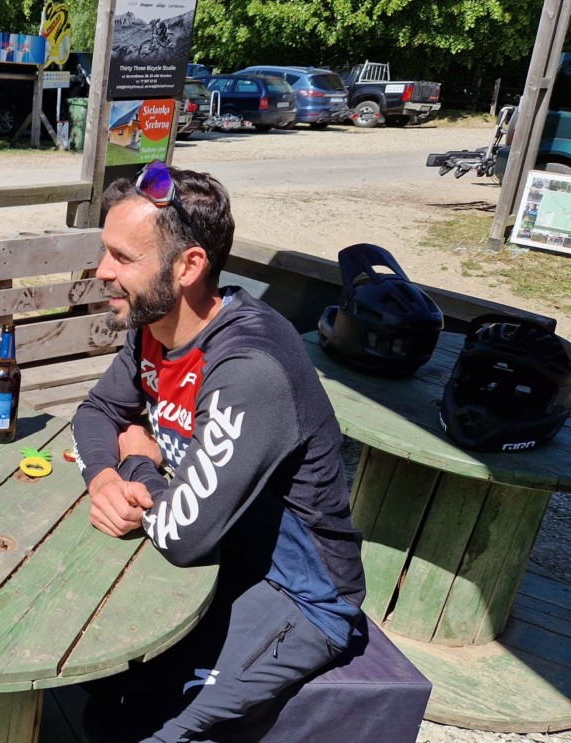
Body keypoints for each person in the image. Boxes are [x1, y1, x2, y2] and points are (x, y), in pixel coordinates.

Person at [72, 162, 366, 742]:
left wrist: (138, 460)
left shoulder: (248, 366)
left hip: (297, 593)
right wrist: (104, 477)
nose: (102, 271)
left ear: (188, 266)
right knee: (99, 687)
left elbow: (181, 537)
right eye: (106, 252)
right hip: (223, 554)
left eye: (122, 258)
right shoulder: (154, 326)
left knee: (141, 729)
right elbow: (96, 412)